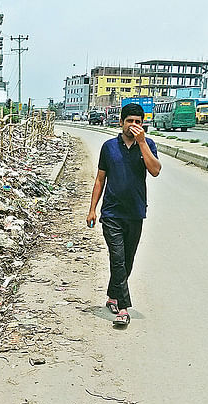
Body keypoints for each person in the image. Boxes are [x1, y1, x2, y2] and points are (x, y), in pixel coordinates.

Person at [86, 103, 161, 326]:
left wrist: (142, 143)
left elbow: (155, 170)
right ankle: (123, 308)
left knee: (127, 260)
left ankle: (113, 295)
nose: (134, 125)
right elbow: (100, 179)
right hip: (111, 213)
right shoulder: (109, 147)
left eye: (138, 122)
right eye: (130, 121)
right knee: (117, 259)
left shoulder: (148, 145)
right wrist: (92, 209)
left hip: (136, 212)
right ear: (121, 122)